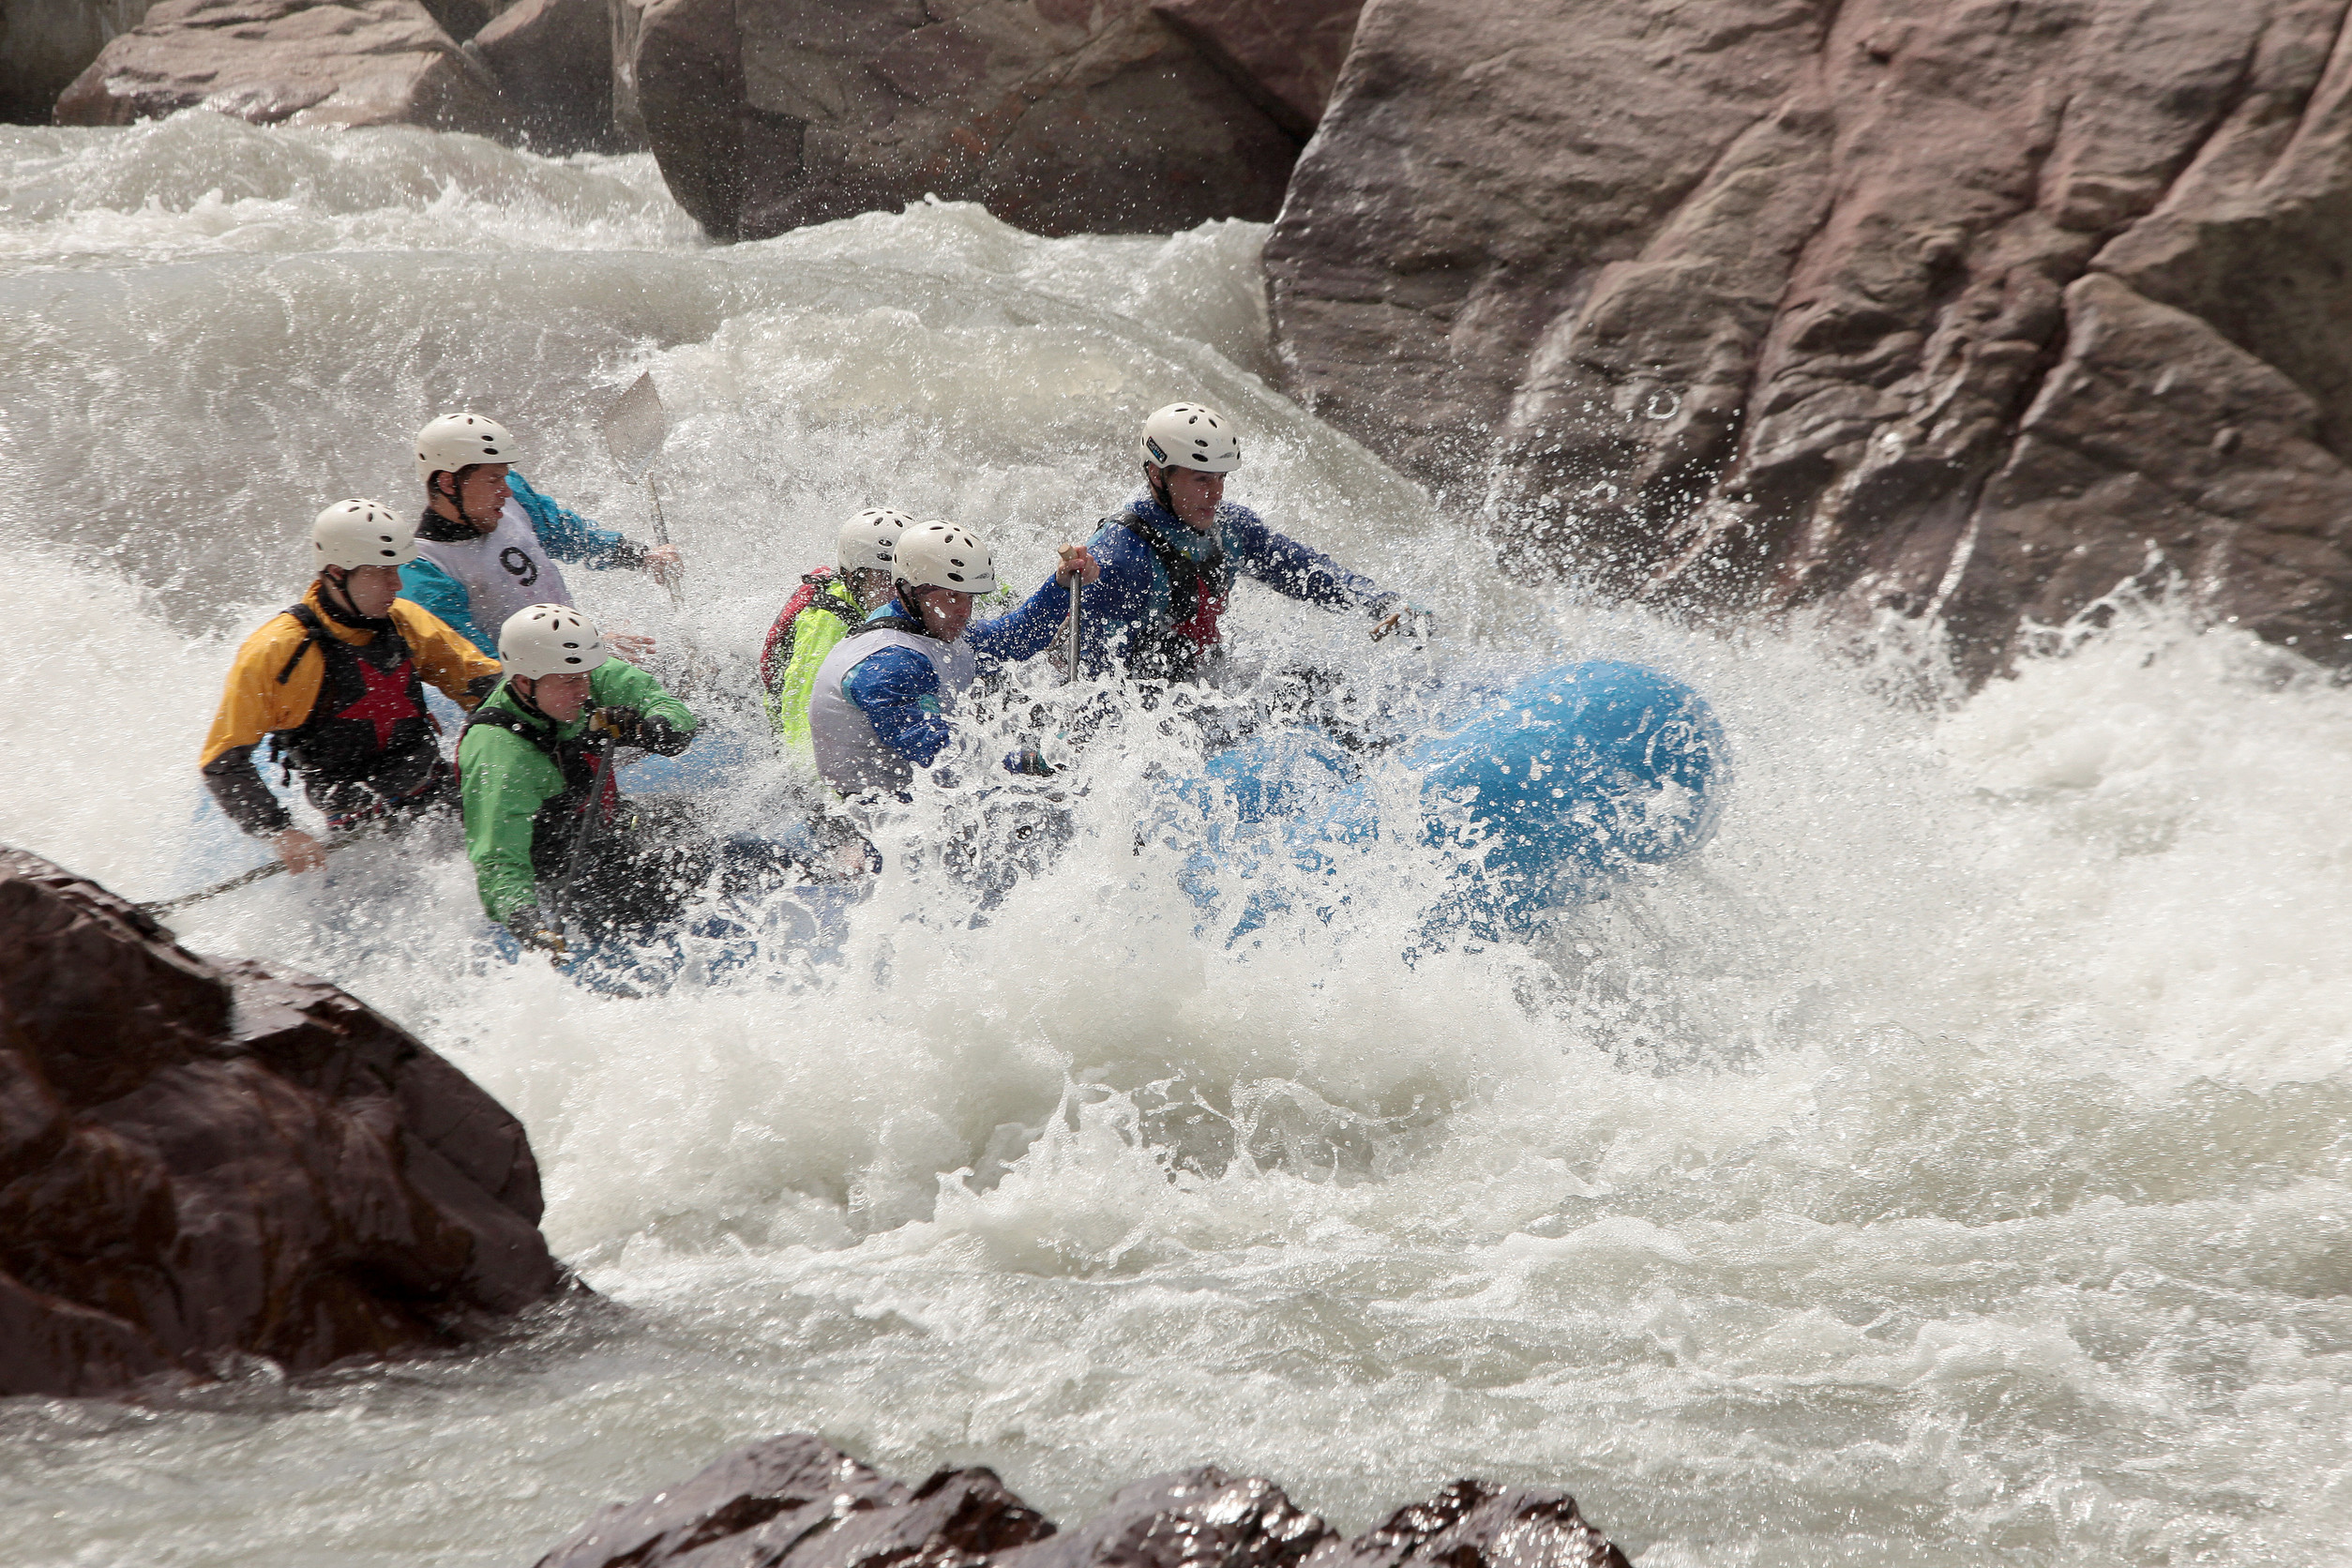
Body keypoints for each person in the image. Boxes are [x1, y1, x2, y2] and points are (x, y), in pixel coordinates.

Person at [200, 500, 505, 872]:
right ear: (335, 573)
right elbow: (223, 763)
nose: (397, 585)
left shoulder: (405, 620)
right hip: (357, 827)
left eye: (397, 570)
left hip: (435, 790)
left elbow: (488, 687)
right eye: (381, 573)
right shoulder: (277, 652)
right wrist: (280, 832)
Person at [1063, 402, 1424, 682]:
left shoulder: (1232, 529)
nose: (1216, 494)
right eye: (1202, 479)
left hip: (1202, 679)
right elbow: (1091, 666)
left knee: (1316, 683)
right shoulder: (1124, 556)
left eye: (1221, 478)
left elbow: (1306, 572)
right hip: (1146, 705)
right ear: (1158, 475)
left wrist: (1377, 602)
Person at [456, 603, 701, 951]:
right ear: (524, 682)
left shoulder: (574, 671)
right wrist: (528, 924)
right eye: (572, 683)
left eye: (586, 678)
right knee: (703, 867)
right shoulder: (499, 754)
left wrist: (647, 730)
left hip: (604, 824)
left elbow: (671, 711)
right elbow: (498, 861)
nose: (585, 692)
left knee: (685, 815)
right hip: (564, 873)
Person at [808, 521, 1100, 797]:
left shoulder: (928, 628)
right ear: (908, 591)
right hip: (871, 821)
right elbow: (942, 756)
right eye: (951, 596)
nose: (964, 611)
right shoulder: (888, 665)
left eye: (969, 598)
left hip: (919, 803)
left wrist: (1061, 585)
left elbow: (1017, 636)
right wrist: (1031, 762)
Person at [399, 413, 683, 658]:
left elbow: (566, 534)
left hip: (577, 660)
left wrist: (638, 555)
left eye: (504, 476)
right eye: (494, 480)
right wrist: (584, 650)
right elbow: (478, 665)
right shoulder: (425, 572)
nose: (506, 490)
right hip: (531, 700)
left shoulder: (511, 498)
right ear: (448, 483)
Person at [757, 508, 914, 773]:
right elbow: (805, 723)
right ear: (851, 577)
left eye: (903, 578)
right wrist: (830, 797)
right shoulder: (827, 624)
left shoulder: (923, 592)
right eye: (881, 578)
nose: (894, 592)